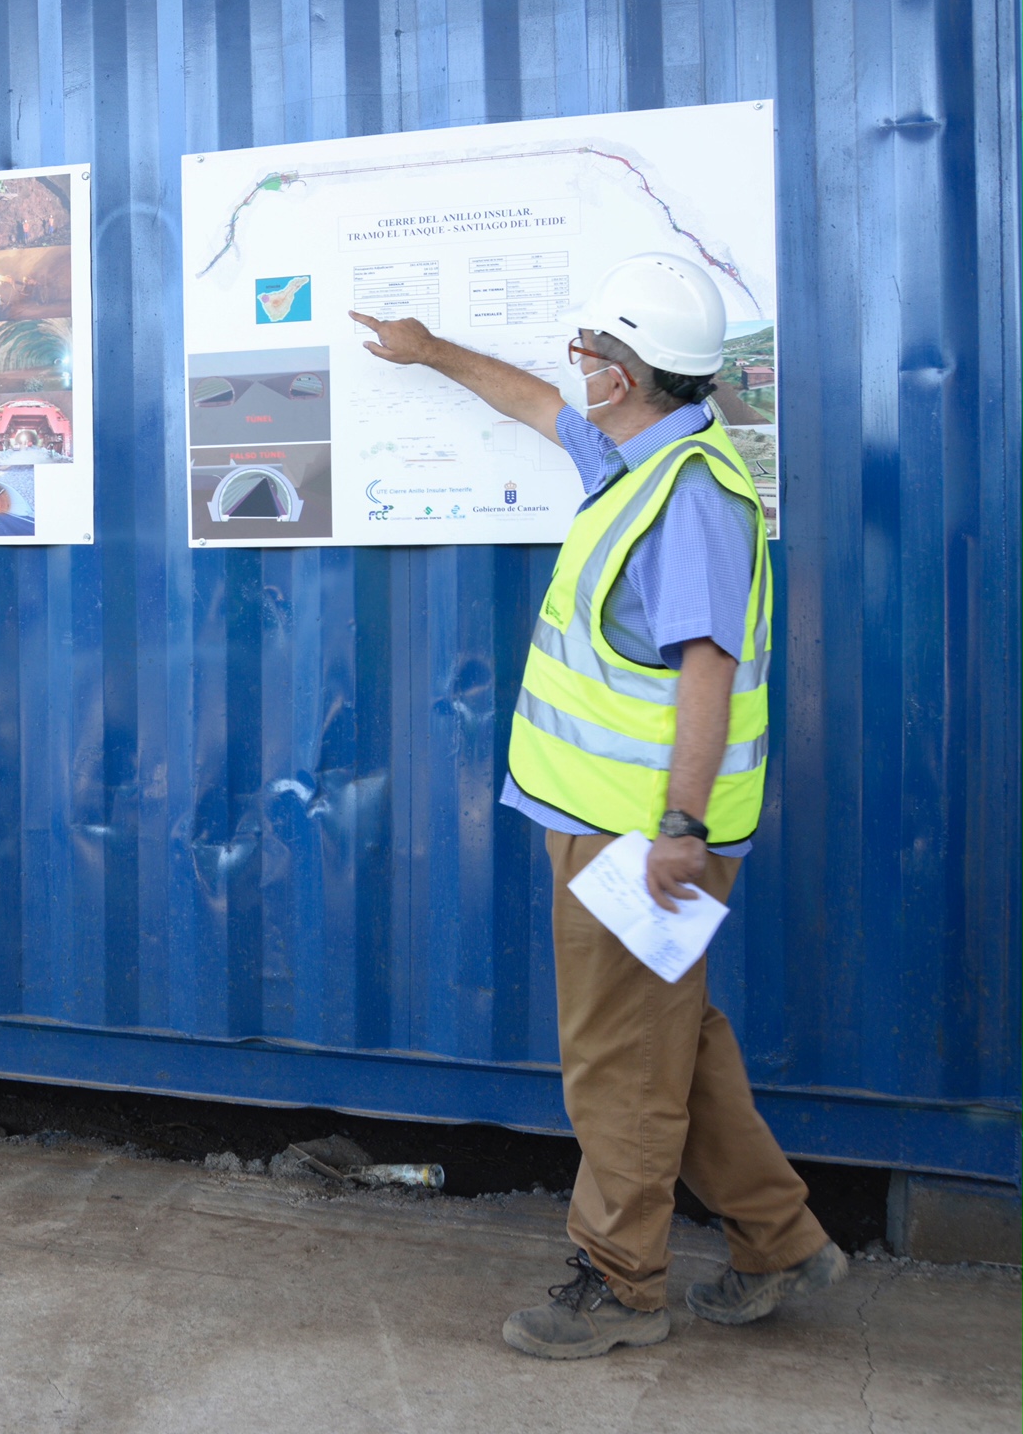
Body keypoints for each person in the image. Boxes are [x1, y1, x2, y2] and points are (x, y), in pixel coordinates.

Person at [353, 253, 844, 1361]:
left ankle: (622, 1283)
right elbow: (527, 401)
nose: (569, 365)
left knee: (621, 1056)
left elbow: (707, 668)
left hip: (643, 838)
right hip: (613, 822)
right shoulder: (633, 457)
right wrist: (428, 351)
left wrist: (677, 830)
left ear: (621, 375)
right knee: (674, 1037)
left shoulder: (688, 501)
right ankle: (778, 1237)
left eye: (585, 349)